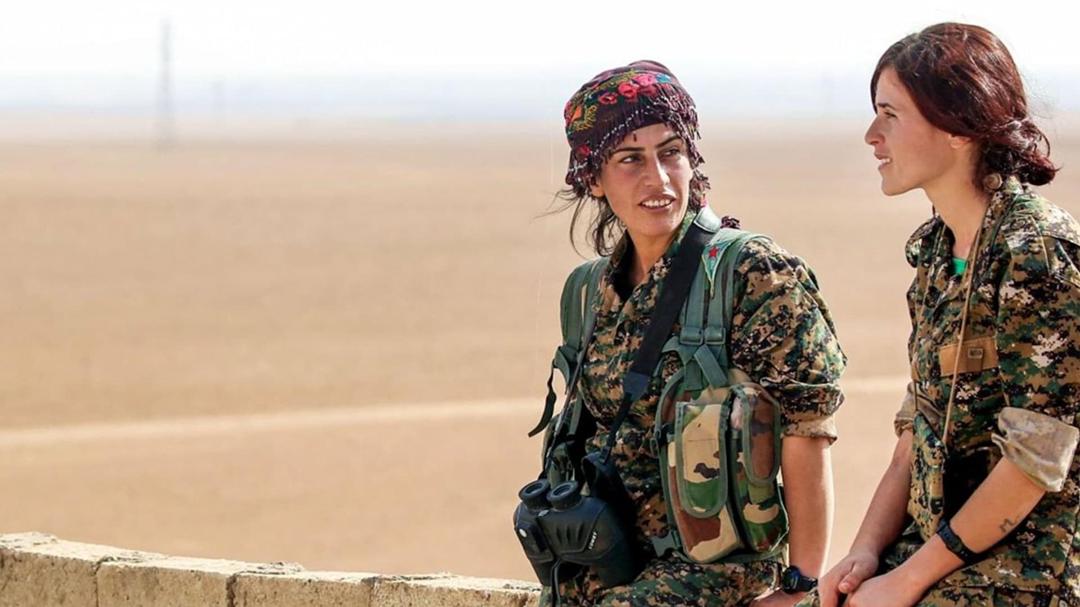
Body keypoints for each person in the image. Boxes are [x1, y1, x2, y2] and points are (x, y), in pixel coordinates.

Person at [543, 60, 846, 606]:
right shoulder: (588, 291)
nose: (658, 179)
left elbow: (808, 428)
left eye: (671, 153)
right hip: (602, 568)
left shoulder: (752, 272)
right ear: (593, 178)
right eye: (630, 159)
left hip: (716, 571)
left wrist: (801, 585)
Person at [813, 23, 1080, 607]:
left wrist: (906, 581)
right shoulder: (938, 250)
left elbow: (1037, 456)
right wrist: (865, 552)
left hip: (1024, 571)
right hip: (935, 550)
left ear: (959, 126)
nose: (872, 136)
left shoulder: (1034, 253)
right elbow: (917, 426)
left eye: (890, 115)